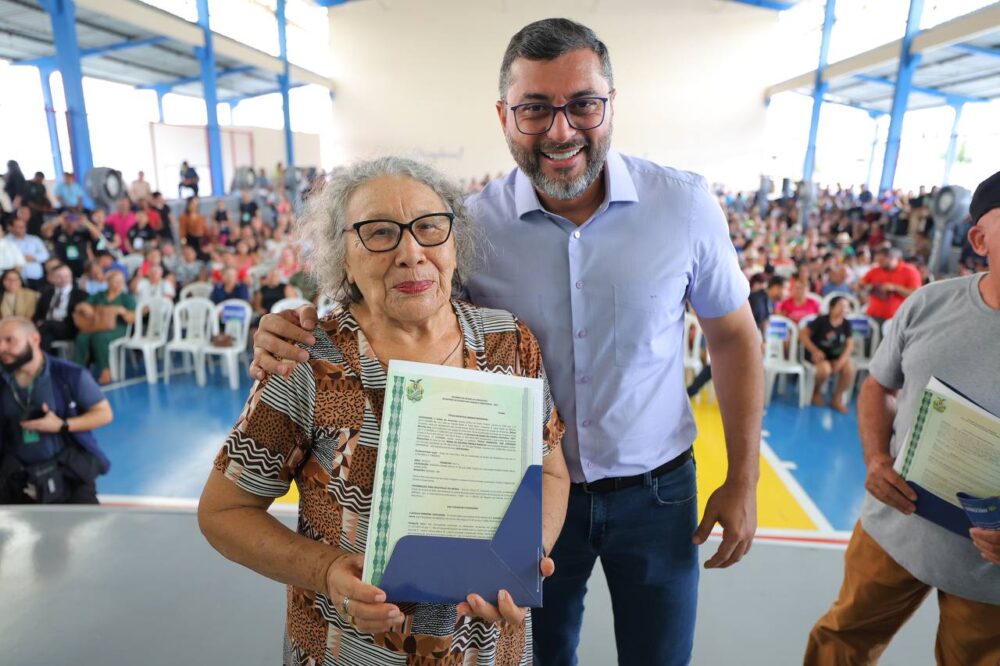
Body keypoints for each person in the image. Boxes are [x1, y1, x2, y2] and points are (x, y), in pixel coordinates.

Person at [249, 19, 762, 666]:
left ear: (611, 104)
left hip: (658, 494)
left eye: (583, 104)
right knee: (540, 656)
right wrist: (299, 323)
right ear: (503, 116)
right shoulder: (471, 226)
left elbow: (734, 338)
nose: (561, 130)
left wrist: (743, 478)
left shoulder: (684, 207)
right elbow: (400, 303)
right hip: (524, 496)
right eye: (534, 109)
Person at [198, 157, 570, 665]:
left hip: (486, 650)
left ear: (454, 243)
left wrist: (522, 560)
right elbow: (223, 512)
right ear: (342, 258)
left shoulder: (507, 341)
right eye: (378, 233)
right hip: (347, 649)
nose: (411, 253)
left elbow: (551, 472)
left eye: (429, 227)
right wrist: (327, 571)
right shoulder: (309, 359)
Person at [805, 171, 1000, 665]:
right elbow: (877, 386)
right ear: (979, 240)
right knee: (841, 641)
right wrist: (875, 459)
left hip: (990, 574)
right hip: (896, 528)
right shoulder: (929, 305)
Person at [0, 317, 112, 504]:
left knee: (86, 522)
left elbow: (104, 413)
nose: (2, 348)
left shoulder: (69, 375)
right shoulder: (3, 380)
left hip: (67, 473)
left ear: (35, 339)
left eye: (9, 340)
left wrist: (63, 425)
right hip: (16, 476)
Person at [73, 269, 136, 385]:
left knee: (100, 338)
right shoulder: (100, 295)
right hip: (97, 326)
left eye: (121, 281)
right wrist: (86, 307)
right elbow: (83, 305)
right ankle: (77, 369)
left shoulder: (126, 297)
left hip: (118, 328)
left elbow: (132, 318)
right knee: (82, 337)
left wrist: (122, 311)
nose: (119, 284)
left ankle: (105, 370)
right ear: (108, 282)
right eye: (115, 281)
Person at [800, 295, 854, 413]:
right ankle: (816, 391)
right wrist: (814, 350)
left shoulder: (846, 324)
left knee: (849, 369)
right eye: (841, 305)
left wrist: (840, 362)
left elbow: (850, 345)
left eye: (846, 306)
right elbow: (802, 335)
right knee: (825, 370)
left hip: (834, 356)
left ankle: (837, 399)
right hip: (818, 355)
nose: (844, 309)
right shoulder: (821, 320)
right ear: (831, 307)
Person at [859, 244, 922, 325]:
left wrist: (895, 288)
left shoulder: (910, 271)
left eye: (882, 261)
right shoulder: (876, 270)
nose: (879, 264)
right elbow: (860, 285)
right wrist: (867, 287)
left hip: (898, 318)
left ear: (894, 258)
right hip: (874, 315)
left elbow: (916, 295)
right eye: (878, 261)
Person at [34, 263, 89, 354]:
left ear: (71, 277)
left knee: (46, 327)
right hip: (48, 328)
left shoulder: (81, 295)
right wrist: (38, 321)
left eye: (66, 276)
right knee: (46, 337)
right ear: (52, 278)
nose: (63, 279)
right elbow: (37, 314)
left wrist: (45, 323)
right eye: (59, 276)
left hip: (69, 327)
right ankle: (45, 359)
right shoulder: (46, 294)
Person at [9, 211, 50, 290]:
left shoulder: (34, 239)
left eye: (23, 227)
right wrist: (19, 259)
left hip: (35, 276)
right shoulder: (6, 241)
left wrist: (33, 257)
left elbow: (45, 255)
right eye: (18, 227)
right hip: (15, 278)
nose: (21, 229)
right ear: (10, 227)